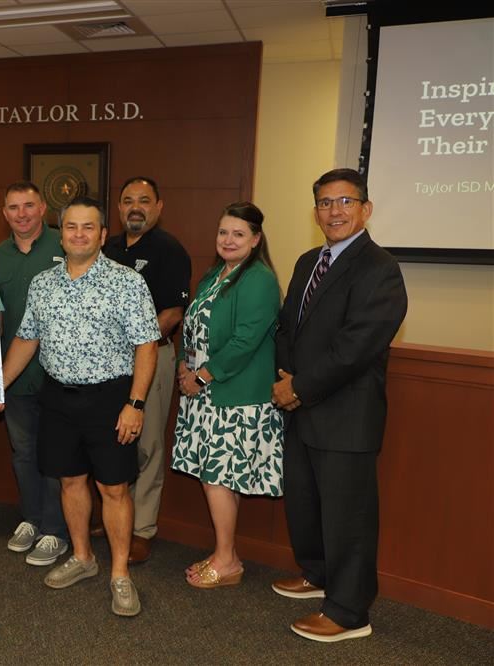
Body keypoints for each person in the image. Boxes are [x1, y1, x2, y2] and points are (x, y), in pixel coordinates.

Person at [0, 196, 160, 617]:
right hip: (58, 398)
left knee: (114, 488)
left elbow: (146, 344)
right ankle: (83, 557)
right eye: (71, 227)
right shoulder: (43, 284)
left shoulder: (127, 282)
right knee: (70, 482)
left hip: (110, 400)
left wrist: (135, 404)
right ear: (61, 233)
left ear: (103, 235)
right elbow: (27, 339)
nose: (79, 234)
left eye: (88, 227)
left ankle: (120, 574)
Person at [271, 168, 407, 642]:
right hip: (303, 406)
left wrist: (301, 386)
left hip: (346, 413)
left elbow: (357, 346)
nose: (335, 211)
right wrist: (287, 379)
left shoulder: (380, 268)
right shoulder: (309, 261)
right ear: (316, 212)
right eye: (326, 203)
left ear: (365, 209)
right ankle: (318, 575)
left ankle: (350, 612)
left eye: (346, 202)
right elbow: (287, 326)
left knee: (348, 516)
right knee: (308, 505)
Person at [170, 202, 283, 588]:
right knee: (219, 477)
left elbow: (245, 341)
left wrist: (201, 376)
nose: (228, 240)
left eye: (238, 234)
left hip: (236, 396)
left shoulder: (259, 280)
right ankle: (226, 552)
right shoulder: (217, 274)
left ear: (255, 239)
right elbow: (194, 328)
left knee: (218, 477)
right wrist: (185, 366)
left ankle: (226, 559)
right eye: (223, 232)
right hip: (205, 393)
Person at [102, 176, 191, 564]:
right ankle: (116, 515)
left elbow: (172, 313)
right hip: (106, 363)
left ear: (158, 206)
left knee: (147, 443)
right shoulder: (108, 248)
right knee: (110, 440)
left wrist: (134, 344)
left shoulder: (170, 250)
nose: (134, 207)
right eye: (127, 201)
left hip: (151, 356)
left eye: (143, 200)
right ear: (119, 209)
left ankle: (142, 529)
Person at [0, 181, 69, 566]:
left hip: (57, 374)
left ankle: (56, 530)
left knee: (55, 455)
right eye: (13, 207)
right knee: (23, 453)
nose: (21, 213)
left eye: (29, 205)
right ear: (4, 213)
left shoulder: (65, 247)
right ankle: (31, 520)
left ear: (43, 209)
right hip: (14, 373)